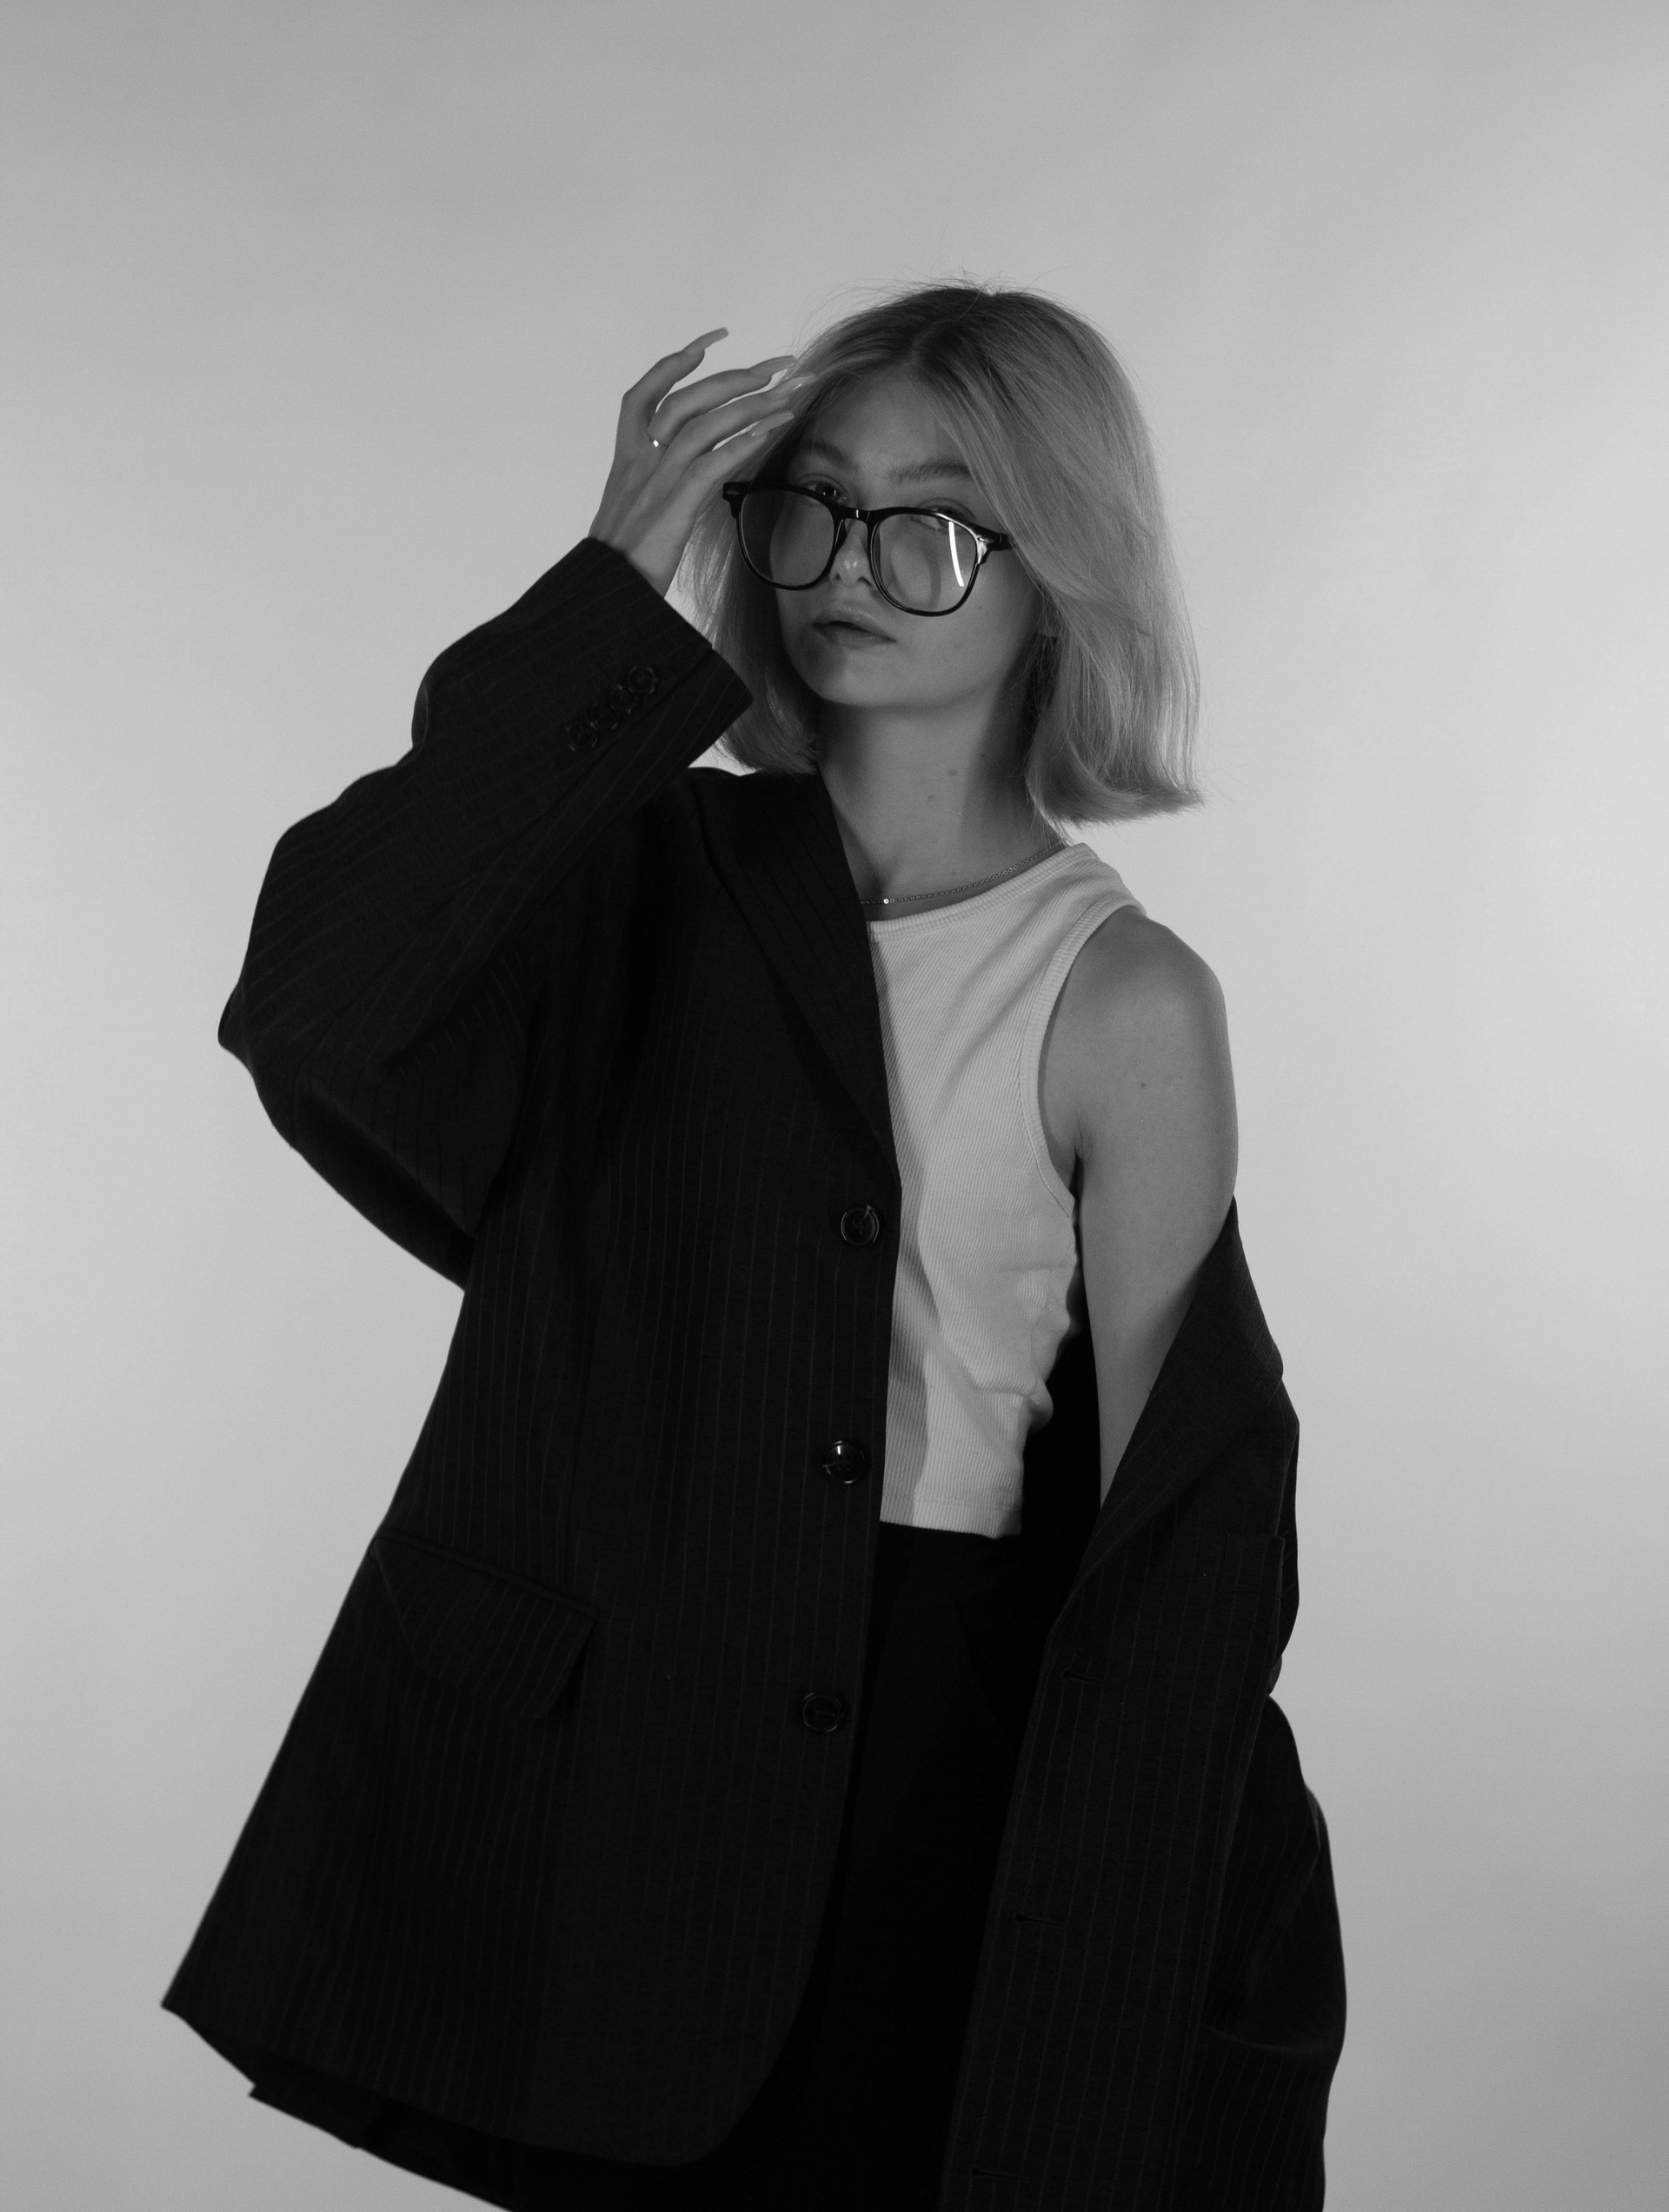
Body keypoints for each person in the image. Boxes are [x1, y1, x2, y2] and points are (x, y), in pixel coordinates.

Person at [165, 284, 1346, 2209]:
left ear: (1063, 573)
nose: (848, 566)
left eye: (931, 521)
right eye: (809, 504)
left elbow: (1176, 1544)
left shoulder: (1126, 998)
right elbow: (314, 1004)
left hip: (942, 1764)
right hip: (627, 1736)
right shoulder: (632, 872)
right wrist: (610, 590)